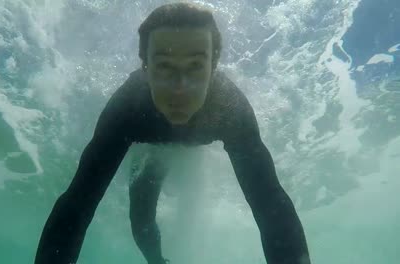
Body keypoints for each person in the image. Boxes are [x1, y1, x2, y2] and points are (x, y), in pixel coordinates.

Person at [35, 3, 311, 264]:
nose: (180, 88)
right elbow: (78, 203)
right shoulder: (127, 108)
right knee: (140, 217)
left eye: (195, 67)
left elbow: (270, 204)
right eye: (165, 66)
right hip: (150, 152)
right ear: (146, 68)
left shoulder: (230, 109)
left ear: (213, 68)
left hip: (186, 138)